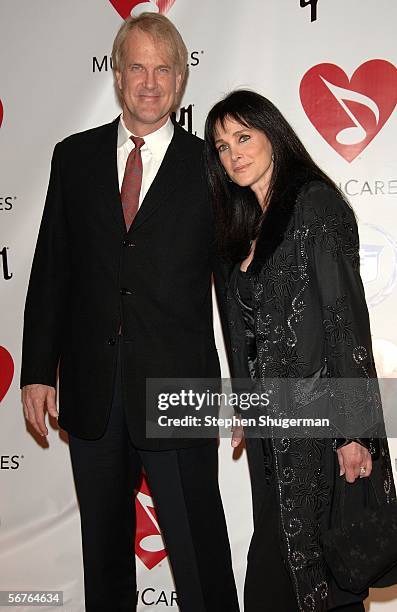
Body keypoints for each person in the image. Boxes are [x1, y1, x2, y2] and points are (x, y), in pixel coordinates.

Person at [20, 14, 239, 612]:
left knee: (202, 558)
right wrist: (37, 369)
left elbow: (231, 286)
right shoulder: (75, 157)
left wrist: (244, 388)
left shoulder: (211, 166)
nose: (149, 82)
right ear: (117, 76)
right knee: (104, 559)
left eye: (162, 69)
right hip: (92, 392)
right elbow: (51, 270)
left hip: (177, 389)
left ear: (180, 80)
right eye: (137, 67)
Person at [204, 89, 397, 611]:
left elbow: (345, 321)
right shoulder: (241, 221)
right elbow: (241, 332)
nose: (233, 154)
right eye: (222, 147)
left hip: (317, 425)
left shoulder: (315, 203)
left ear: (274, 136)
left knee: (313, 575)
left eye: (244, 137)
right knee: (289, 574)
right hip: (272, 431)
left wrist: (354, 433)